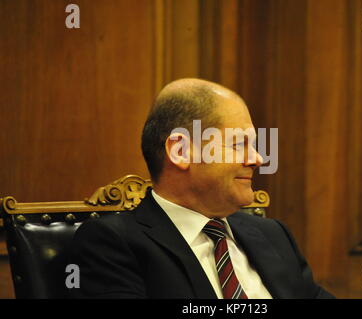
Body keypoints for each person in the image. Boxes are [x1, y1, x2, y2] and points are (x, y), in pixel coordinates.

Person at [68, 78, 334, 299]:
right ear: (181, 151)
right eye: (239, 144)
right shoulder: (113, 244)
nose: (258, 159)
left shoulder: (273, 235)